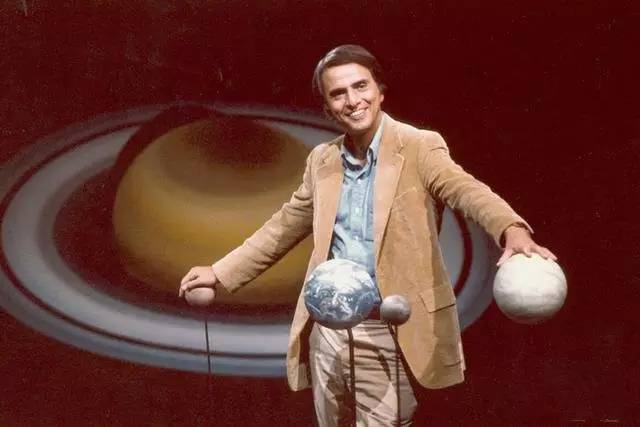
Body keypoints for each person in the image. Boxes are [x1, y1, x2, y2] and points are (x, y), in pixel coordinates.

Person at [178, 44, 557, 426]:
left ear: (380, 91)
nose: (352, 100)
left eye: (360, 86)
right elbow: (284, 225)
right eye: (338, 93)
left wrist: (511, 229)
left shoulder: (419, 146)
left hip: (387, 328)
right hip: (328, 328)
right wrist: (220, 272)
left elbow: (466, 190)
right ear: (328, 108)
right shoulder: (322, 160)